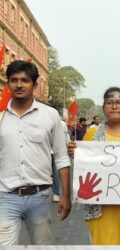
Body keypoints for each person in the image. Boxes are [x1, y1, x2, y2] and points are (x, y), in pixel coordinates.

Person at [68, 87, 120, 245]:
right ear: (104, 108)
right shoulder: (91, 134)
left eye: (119, 102)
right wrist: (76, 155)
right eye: (110, 102)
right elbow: (85, 169)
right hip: (103, 208)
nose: (114, 106)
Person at [0, 60, 71, 245]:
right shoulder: (1, 117)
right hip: (6, 196)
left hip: (40, 196)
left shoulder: (50, 115)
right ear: (8, 83)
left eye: (25, 80)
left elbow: (62, 158)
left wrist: (65, 195)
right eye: (14, 80)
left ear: (35, 84)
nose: (19, 85)